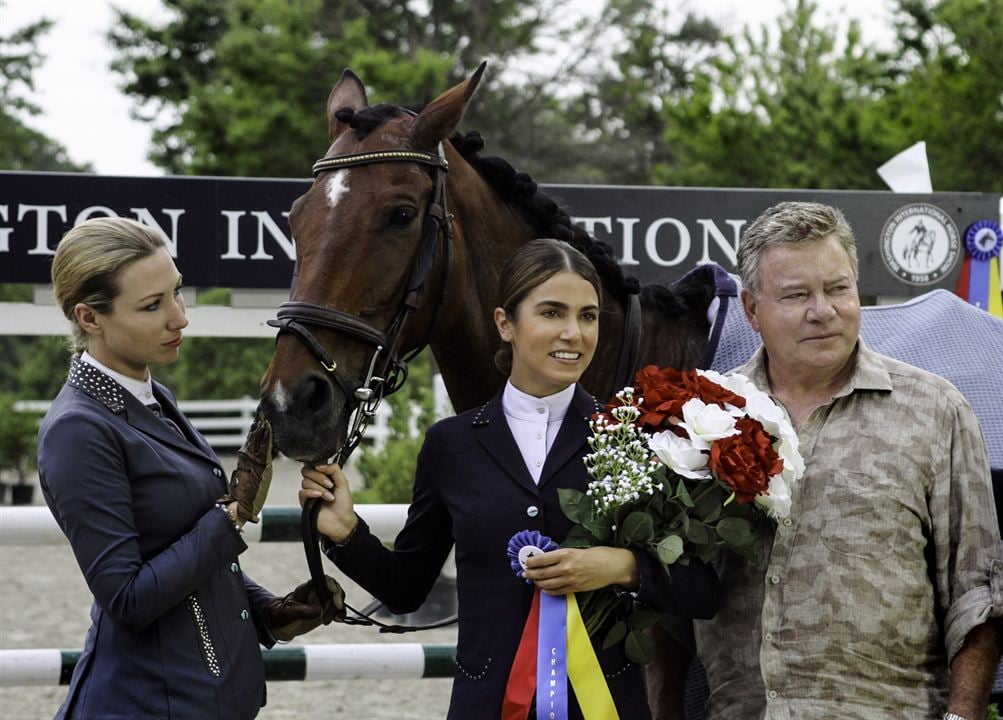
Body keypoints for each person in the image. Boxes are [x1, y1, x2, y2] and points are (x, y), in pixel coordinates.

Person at [300, 238, 722, 719]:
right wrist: (346, 533)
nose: (574, 333)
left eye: (588, 317)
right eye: (552, 313)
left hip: (606, 707)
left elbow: (701, 591)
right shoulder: (450, 445)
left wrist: (624, 566)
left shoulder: (636, 438)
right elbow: (406, 589)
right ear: (505, 323)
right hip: (488, 706)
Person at [688, 201, 1002, 718]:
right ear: (750, 309)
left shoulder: (935, 410)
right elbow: (667, 605)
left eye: (838, 288)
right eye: (796, 295)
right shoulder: (704, 417)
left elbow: (979, 593)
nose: (823, 310)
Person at [38, 217, 333, 720]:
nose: (180, 318)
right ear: (89, 317)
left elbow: (177, 546)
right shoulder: (78, 430)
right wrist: (233, 514)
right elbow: (127, 597)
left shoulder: (152, 397)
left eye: (176, 293)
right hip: (146, 704)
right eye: (153, 306)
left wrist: (268, 612)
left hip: (206, 699)